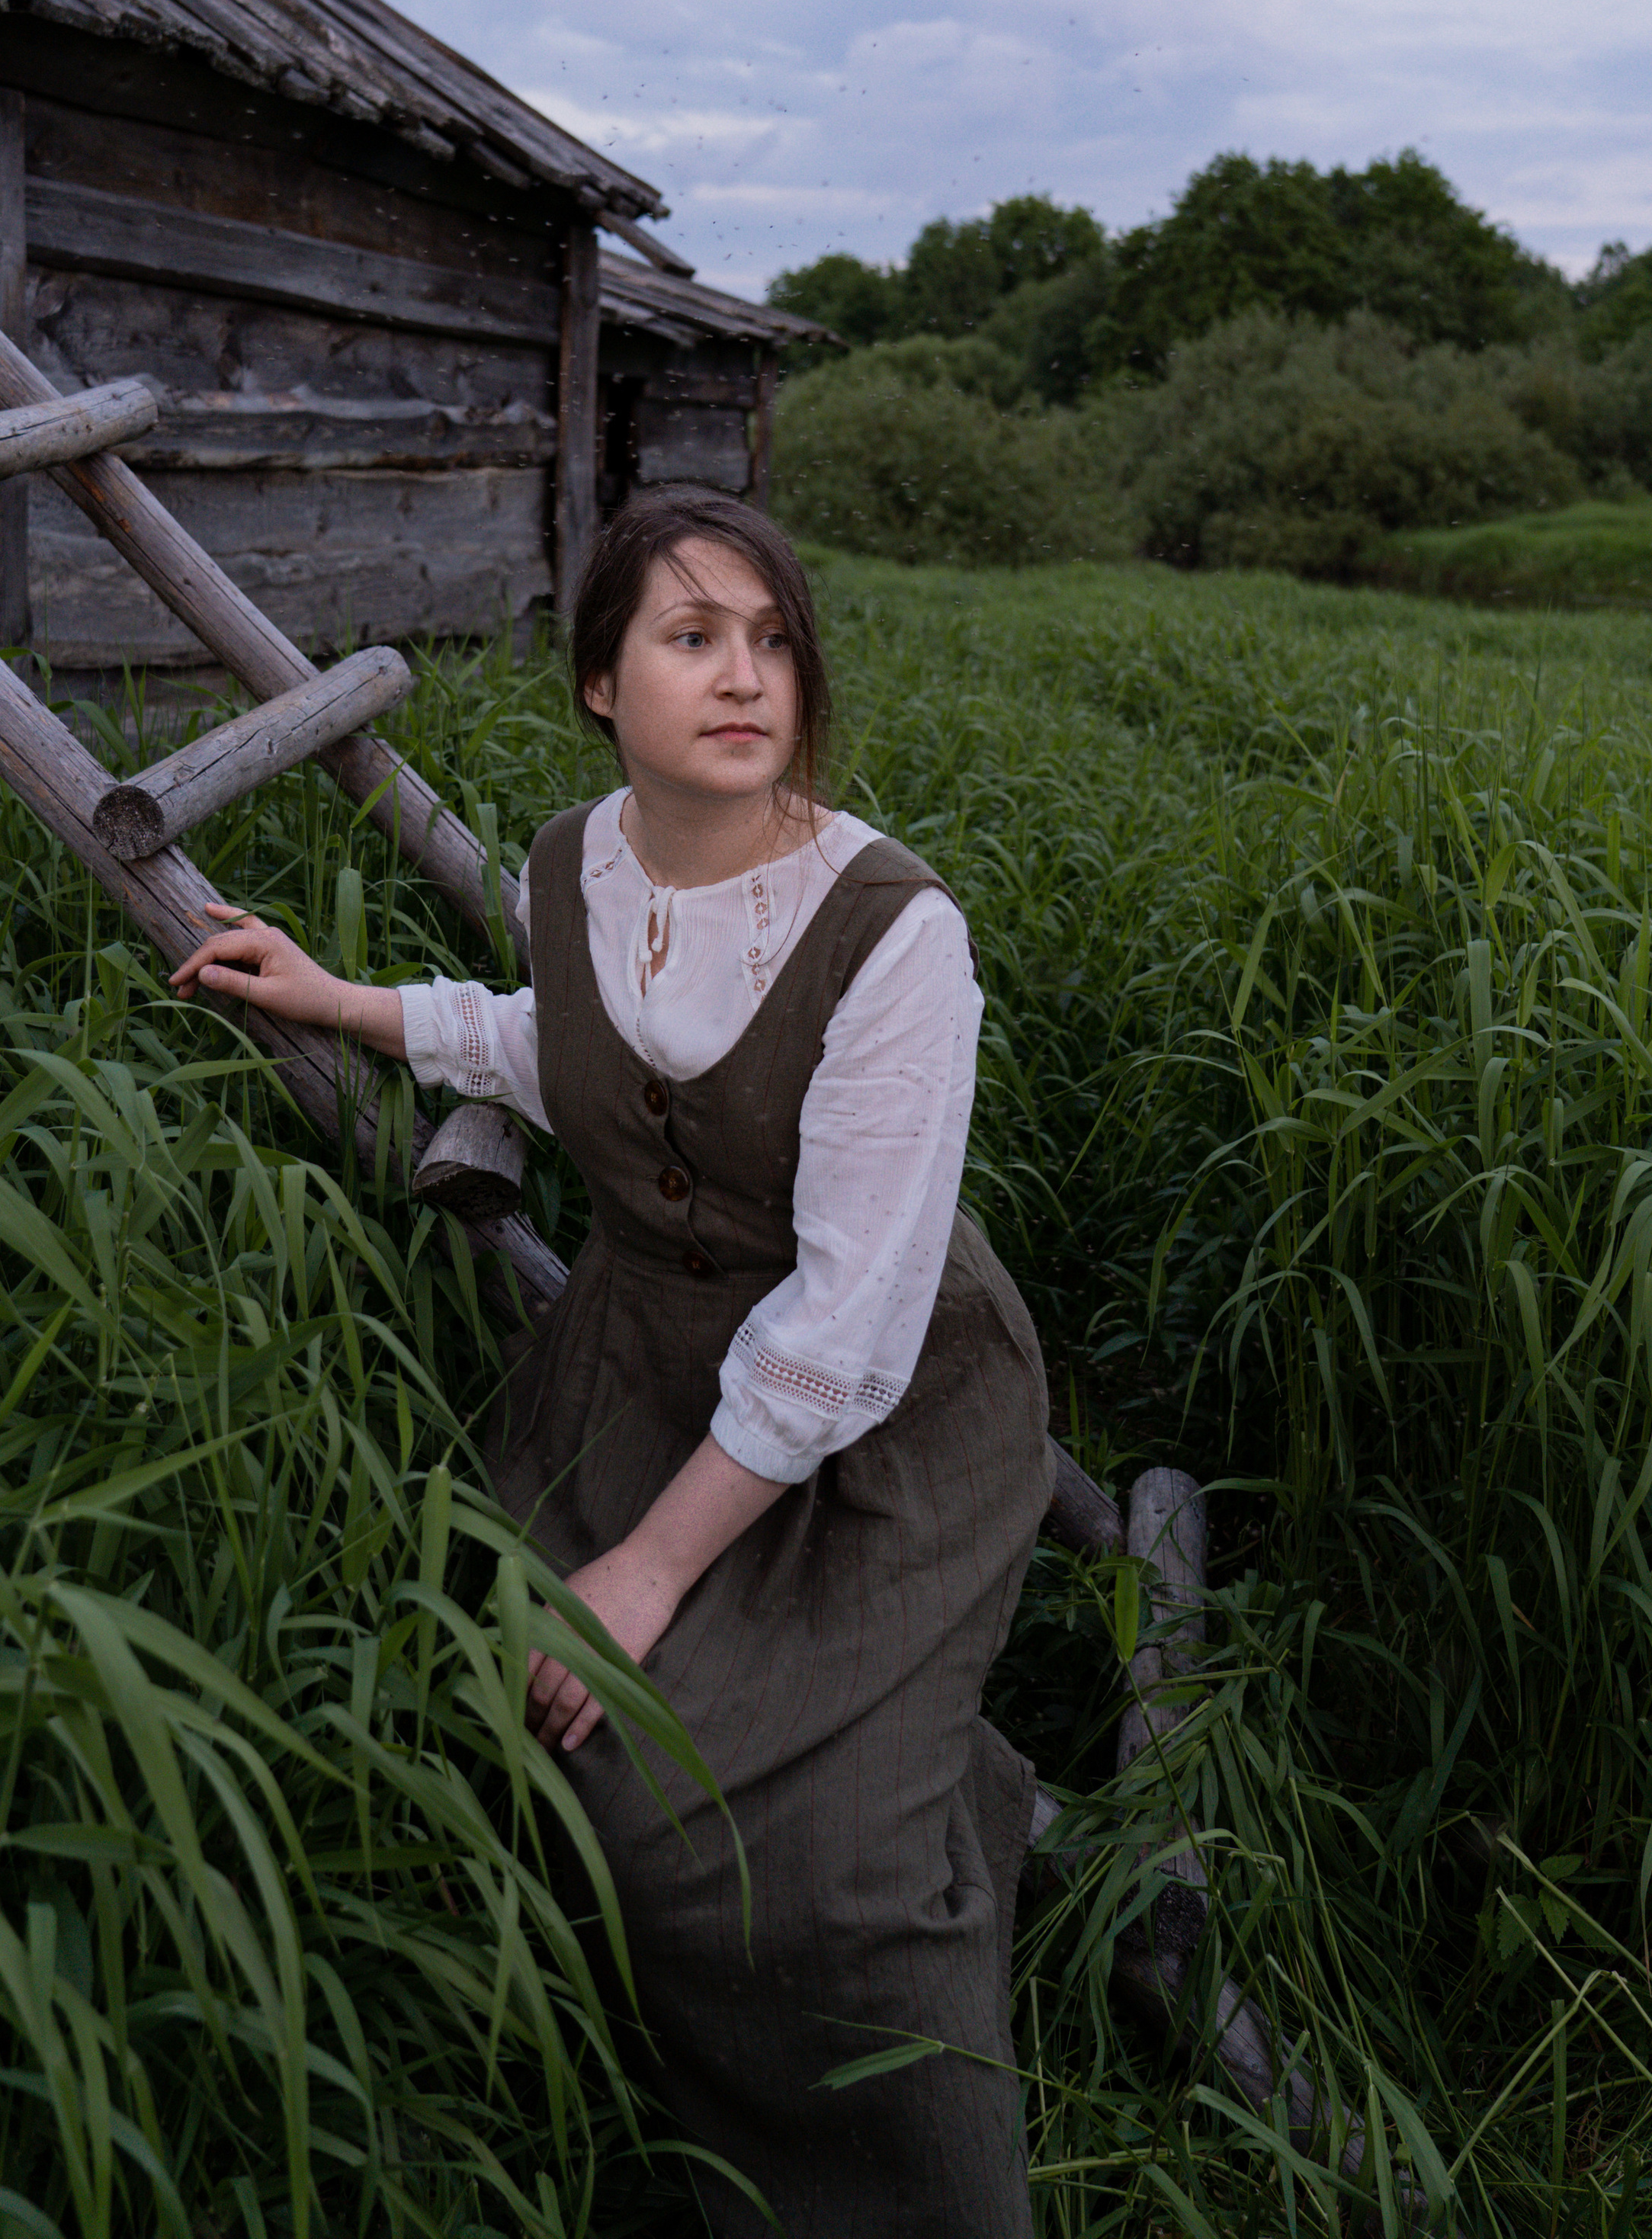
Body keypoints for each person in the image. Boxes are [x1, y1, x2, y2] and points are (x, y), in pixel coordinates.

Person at [169, 487, 1052, 2238]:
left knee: (803, 1891)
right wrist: (344, 1001)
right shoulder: (578, 860)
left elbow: (848, 1323)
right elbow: (552, 1040)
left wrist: (641, 1575)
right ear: (596, 681)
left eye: (774, 639)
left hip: (875, 1419)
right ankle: (650, 2110)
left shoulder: (890, 929)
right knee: (517, 1735)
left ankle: (910, 2188)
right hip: (639, 1367)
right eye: (692, 636)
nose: (748, 677)